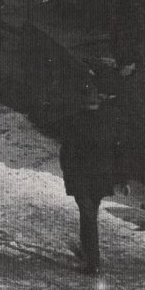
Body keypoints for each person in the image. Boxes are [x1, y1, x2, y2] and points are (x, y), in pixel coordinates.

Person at [58, 82, 119, 275]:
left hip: (81, 178)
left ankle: (92, 261)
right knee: (90, 215)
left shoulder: (74, 121)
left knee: (88, 216)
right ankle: (89, 254)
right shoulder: (107, 122)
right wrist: (120, 178)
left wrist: (68, 177)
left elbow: (66, 154)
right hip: (100, 179)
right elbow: (116, 152)